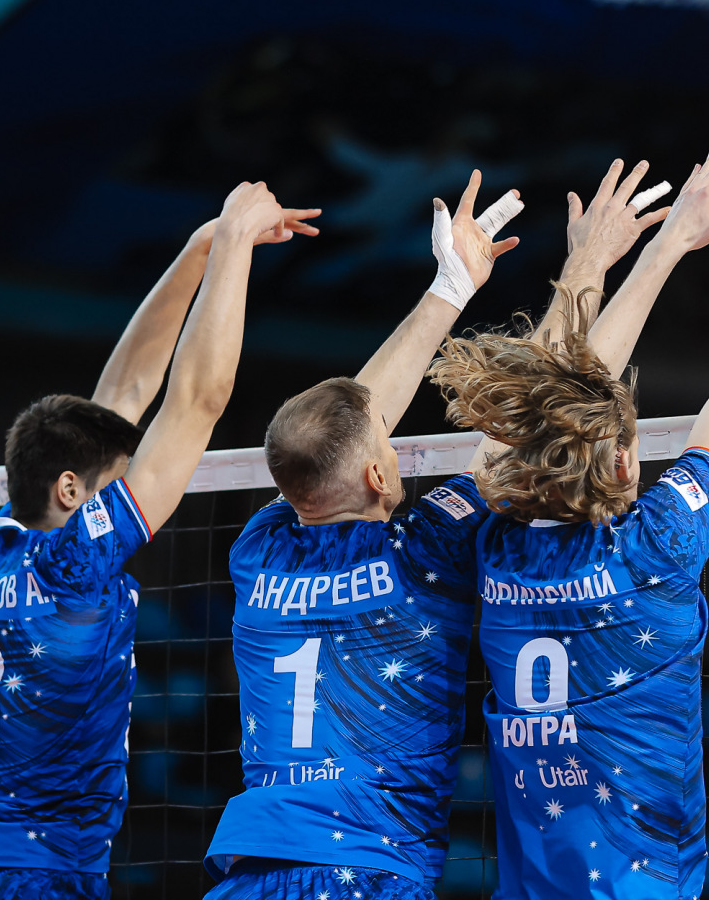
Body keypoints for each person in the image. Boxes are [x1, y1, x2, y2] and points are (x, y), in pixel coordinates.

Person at [431, 148, 709, 900]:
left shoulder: (493, 546)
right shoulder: (656, 546)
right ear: (622, 465)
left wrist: (662, 246)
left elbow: (546, 407)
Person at [0, 182, 317, 900]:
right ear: (70, 492)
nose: (130, 491)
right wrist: (235, 247)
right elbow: (198, 401)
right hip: (48, 880)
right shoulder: (71, 568)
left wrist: (198, 250)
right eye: (115, 485)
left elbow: (121, 396)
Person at [204, 169, 537, 897]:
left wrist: (452, 286)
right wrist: (588, 267)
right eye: (388, 445)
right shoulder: (425, 551)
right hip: (371, 874)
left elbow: (335, 438)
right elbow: (530, 412)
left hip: (253, 873)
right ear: (380, 478)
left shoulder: (258, 551)